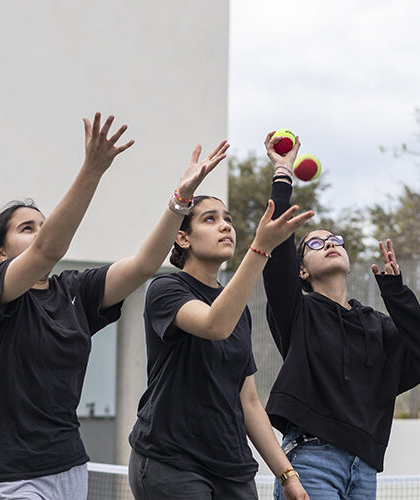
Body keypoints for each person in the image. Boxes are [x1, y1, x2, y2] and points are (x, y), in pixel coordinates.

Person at [0, 112, 230, 500]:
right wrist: (93, 169)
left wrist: (180, 201)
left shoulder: (75, 291)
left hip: (68, 468)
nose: (41, 233)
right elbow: (51, 247)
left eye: (43, 224)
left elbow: (145, 265)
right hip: (9, 474)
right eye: (27, 228)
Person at [260, 132, 420, 500]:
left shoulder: (377, 326)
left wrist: (396, 293)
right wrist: (282, 173)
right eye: (315, 243)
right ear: (302, 271)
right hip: (311, 462)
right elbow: (275, 250)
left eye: (335, 239)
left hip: (364, 471)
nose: (330, 243)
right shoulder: (298, 312)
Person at [128, 193, 314, 500]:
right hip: (172, 462)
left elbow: (249, 402)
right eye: (210, 219)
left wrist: (287, 476)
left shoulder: (238, 308)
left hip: (233, 469)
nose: (225, 226)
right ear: (183, 239)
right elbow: (214, 325)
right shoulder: (166, 289)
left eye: (227, 219)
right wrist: (261, 249)